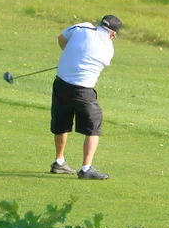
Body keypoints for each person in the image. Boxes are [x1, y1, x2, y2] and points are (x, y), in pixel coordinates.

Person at [49, 15, 122, 180]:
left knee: (61, 122)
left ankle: (59, 162)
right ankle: (86, 168)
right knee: (94, 125)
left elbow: (61, 39)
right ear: (112, 34)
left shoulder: (82, 27)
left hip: (61, 84)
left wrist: (72, 56)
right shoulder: (108, 48)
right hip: (83, 91)